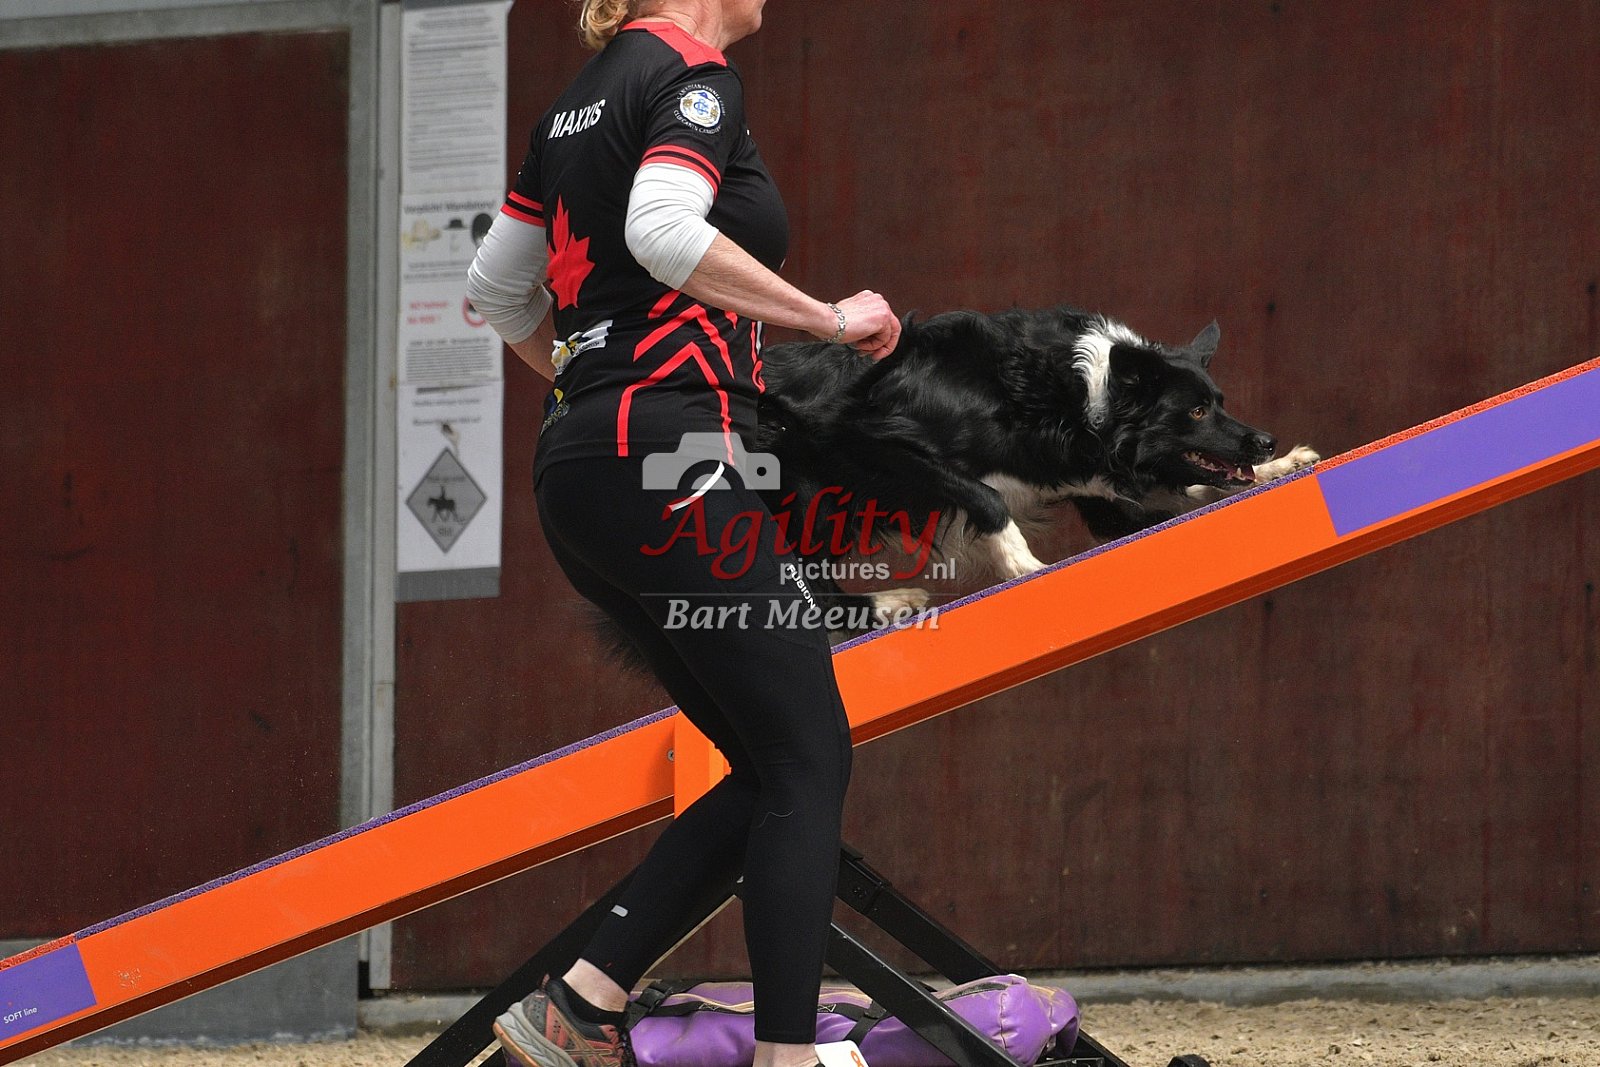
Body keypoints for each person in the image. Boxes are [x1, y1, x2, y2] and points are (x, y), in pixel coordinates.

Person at [464, 3, 902, 1067]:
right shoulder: (690, 75)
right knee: (805, 755)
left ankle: (581, 1003)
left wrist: (590, 384)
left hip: (580, 464)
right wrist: (827, 319)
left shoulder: (571, 106)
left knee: (772, 759)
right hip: (670, 456)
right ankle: (787, 1055)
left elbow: (495, 290)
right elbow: (663, 231)